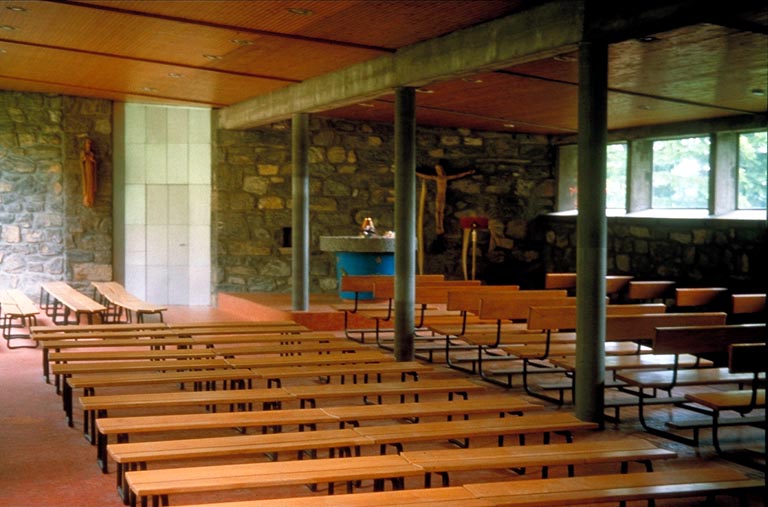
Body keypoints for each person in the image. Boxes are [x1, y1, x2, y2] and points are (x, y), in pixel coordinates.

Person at [417, 161, 474, 235]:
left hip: (443, 196)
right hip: (439, 196)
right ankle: (438, 226)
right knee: (437, 212)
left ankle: (441, 226)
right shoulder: (436, 177)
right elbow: (425, 176)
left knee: (441, 212)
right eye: (437, 170)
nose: (438, 171)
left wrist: (468, 172)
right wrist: (416, 173)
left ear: (442, 170)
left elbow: (458, 175)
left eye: (439, 169)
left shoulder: (445, 178)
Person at [80, 138, 97, 207]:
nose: (88, 146)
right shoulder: (83, 153)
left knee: (91, 183)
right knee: (86, 184)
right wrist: (83, 159)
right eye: (87, 144)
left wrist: (93, 161)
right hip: (86, 171)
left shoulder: (91, 154)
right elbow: (81, 161)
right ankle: (87, 196)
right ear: (85, 145)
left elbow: (94, 162)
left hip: (91, 170)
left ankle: (90, 196)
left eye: (89, 144)